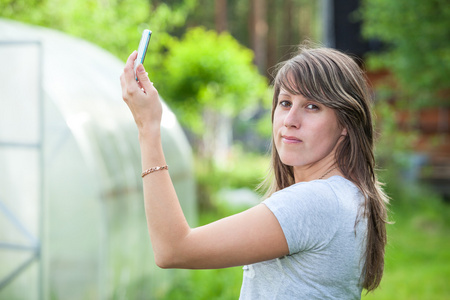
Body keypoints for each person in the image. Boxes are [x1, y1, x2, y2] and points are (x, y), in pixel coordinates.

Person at [120, 45, 389, 299]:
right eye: (285, 103)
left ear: (346, 123)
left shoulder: (315, 202)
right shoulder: (349, 194)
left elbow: (173, 249)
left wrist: (148, 128)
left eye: (312, 106)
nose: (290, 120)